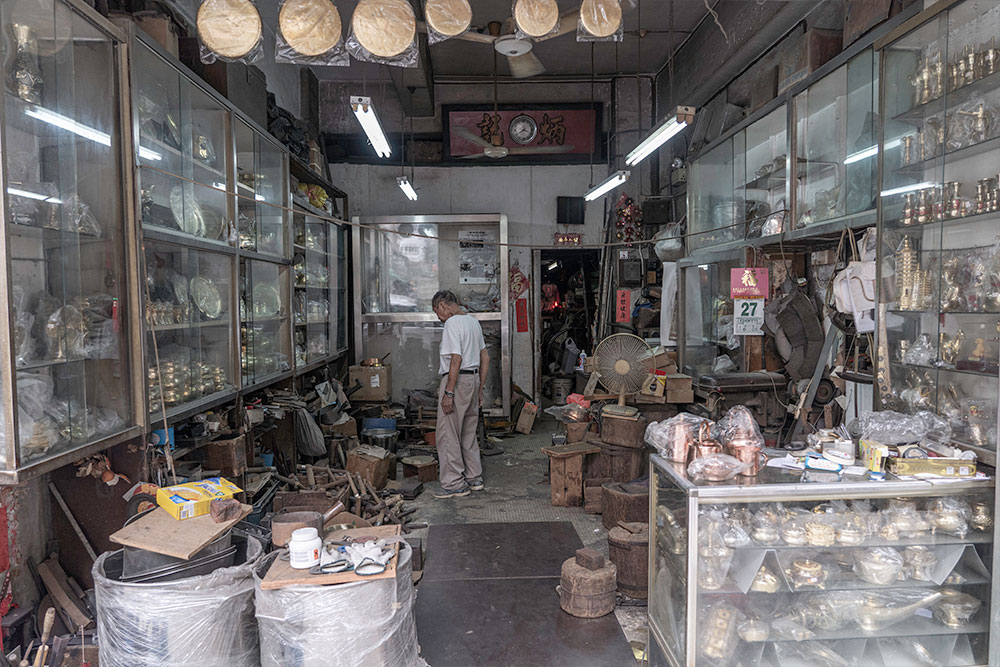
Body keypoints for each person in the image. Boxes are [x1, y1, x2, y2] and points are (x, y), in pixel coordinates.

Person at [431, 290, 489, 498]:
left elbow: (456, 359)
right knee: (468, 432)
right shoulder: (473, 322)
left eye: (436, 311)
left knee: (448, 434)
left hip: (457, 381)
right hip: (472, 380)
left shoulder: (452, 324)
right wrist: (480, 389)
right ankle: (474, 478)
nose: (438, 317)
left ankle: (454, 483)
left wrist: (449, 392)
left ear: (442, 305)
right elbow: (485, 358)